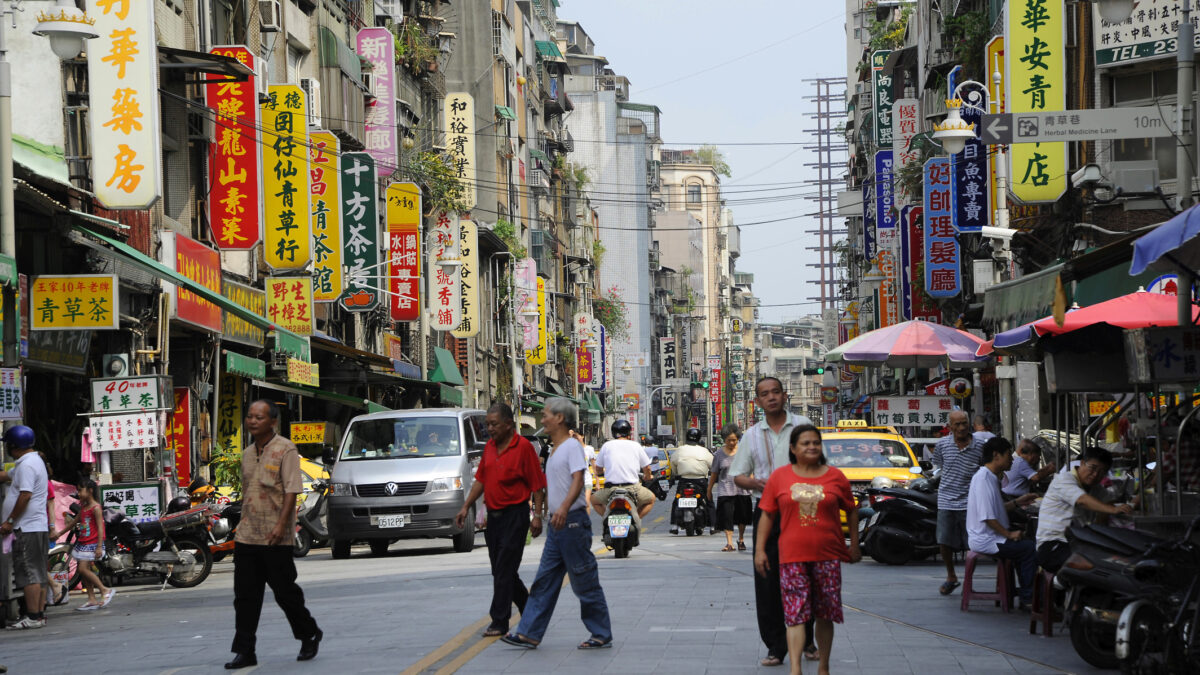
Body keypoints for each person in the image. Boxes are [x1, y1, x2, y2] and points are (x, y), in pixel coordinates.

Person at [502, 397, 612, 650]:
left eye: (546, 415)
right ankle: (529, 632)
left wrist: (562, 508)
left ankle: (601, 632)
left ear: (559, 418)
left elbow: (577, 479)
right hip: (557, 525)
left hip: (571, 522)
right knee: (545, 579)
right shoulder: (555, 449)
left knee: (584, 579)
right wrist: (542, 513)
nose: (542, 420)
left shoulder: (572, 447)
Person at [754, 424, 860, 675]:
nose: (811, 447)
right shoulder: (780, 477)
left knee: (825, 613)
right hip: (791, 557)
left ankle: (823, 667)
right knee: (795, 614)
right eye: (805, 443)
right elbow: (767, 515)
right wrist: (759, 550)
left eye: (815, 442)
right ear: (793, 448)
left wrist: (854, 545)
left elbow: (852, 510)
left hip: (827, 556)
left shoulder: (835, 477)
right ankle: (795, 669)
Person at [225, 400, 322, 669]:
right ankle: (245, 651)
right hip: (247, 535)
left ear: (273, 422)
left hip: (276, 536)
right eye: (250, 417)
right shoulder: (246, 454)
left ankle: (309, 633)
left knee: (284, 592)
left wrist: (282, 525)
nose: (253, 421)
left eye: (259, 417)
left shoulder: (285, 450)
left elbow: (292, 490)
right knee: (245, 596)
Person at [730, 377, 817, 668]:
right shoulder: (751, 436)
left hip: (804, 511)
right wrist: (756, 483)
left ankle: (807, 638)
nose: (771, 398)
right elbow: (738, 475)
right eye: (764, 394)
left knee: (805, 575)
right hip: (768, 513)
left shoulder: (803, 425)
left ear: (784, 395)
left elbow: (820, 461)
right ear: (757, 402)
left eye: (775, 392)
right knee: (767, 578)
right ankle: (775, 646)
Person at [454, 403, 547, 637]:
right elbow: (481, 481)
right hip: (493, 519)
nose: (490, 429)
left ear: (509, 424)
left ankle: (499, 621)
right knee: (500, 571)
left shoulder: (524, 448)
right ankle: (530, 610)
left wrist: (537, 516)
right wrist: (465, 507)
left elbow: (537, 485)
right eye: (487, 424)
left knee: (505, 568)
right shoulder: (489, 448)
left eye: (494, 424)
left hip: (515, 516)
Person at [1035, 446, 1133, 573]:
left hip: (1078, 543)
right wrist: (1112, 510)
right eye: (1092, 468)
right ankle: (1061, 583)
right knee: (1097, 565)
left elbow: (1110, 501)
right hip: (1053, 546)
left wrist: (1134, 502)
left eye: (1102, 472)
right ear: (1082, 463)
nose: (1095, 474)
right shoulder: (1064, 479)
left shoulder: (1095, 488)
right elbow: (1082, 500)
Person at [966, 438, 1038, 607]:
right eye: (1008, 455)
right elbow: (987, 517)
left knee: (1025, 543)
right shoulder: (983, 479)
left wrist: (1018, 501)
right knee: (1029, 549)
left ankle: (1020, 592)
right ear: (996, 455)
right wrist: (1009, 534)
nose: (1012, 459)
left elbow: (997, 509)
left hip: (993, 536)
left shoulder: (990, 477)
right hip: (987, 539)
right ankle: (1028, 598)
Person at [932, 410, 986, 596]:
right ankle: (951, 576)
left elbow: (985, 470)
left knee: (973, 544)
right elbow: (938, 467)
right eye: (957, 424)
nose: (962, 428)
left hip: (971, 501)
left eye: (964, 423)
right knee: (944, 541)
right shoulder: (942, 445)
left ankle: (969, 579)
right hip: (946, 500)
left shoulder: (980, 445)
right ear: (950, 427)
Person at [1, 426, 50, 630]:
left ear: (13, 446)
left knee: (29, 572)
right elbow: (6, 476)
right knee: (38, 572)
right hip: (37, 526)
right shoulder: (32, 461)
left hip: (26, 527)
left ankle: (31, 616)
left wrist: (10, 521)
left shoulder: (27, 466)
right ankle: (38, 616)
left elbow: (25, 495)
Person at [57, 478, 115, 611]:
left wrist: (100, 546)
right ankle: (91, 599)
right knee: (84, 572)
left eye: (80, 490)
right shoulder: (83, 507)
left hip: (92, 544)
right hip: (83, 543)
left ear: (90, 491)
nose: (78, 493)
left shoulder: (96, 508)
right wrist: (60, 534)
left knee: (82, 569)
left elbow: (101, 528)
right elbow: (73, 522)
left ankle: (104, 589)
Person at [591, 419, 655, 520]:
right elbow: (647, 467)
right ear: (629, 433)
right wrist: (648, 476)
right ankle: (635, 518)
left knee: (593, 500)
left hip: (611, 490)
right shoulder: (636, 446)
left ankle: (607, 519)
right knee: (651, 499)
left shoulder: (606, 446)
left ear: (613, 433)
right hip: (633, 489)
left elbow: (598, 468)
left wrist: (600, 474)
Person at [710, 424, 752, 552]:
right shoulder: (718, 454)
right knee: (727, 516)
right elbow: (714, 473)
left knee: (742, 517)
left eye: (734, 440)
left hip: (743, 489)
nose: (732, 442)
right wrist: (709, 489)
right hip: (725, 489)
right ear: (724, 439)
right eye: (729, 440)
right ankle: (729, 543)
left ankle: (740, 539)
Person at [669, 428, 714, 534]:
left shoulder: (680, 450)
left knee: (676, 501)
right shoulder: (704, 451)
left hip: (684, 480)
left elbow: (673, 463)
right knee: (709, 502)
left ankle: (675, 526)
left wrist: (676, 474)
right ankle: (713, 526)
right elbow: (713, 466)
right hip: (701, 481)